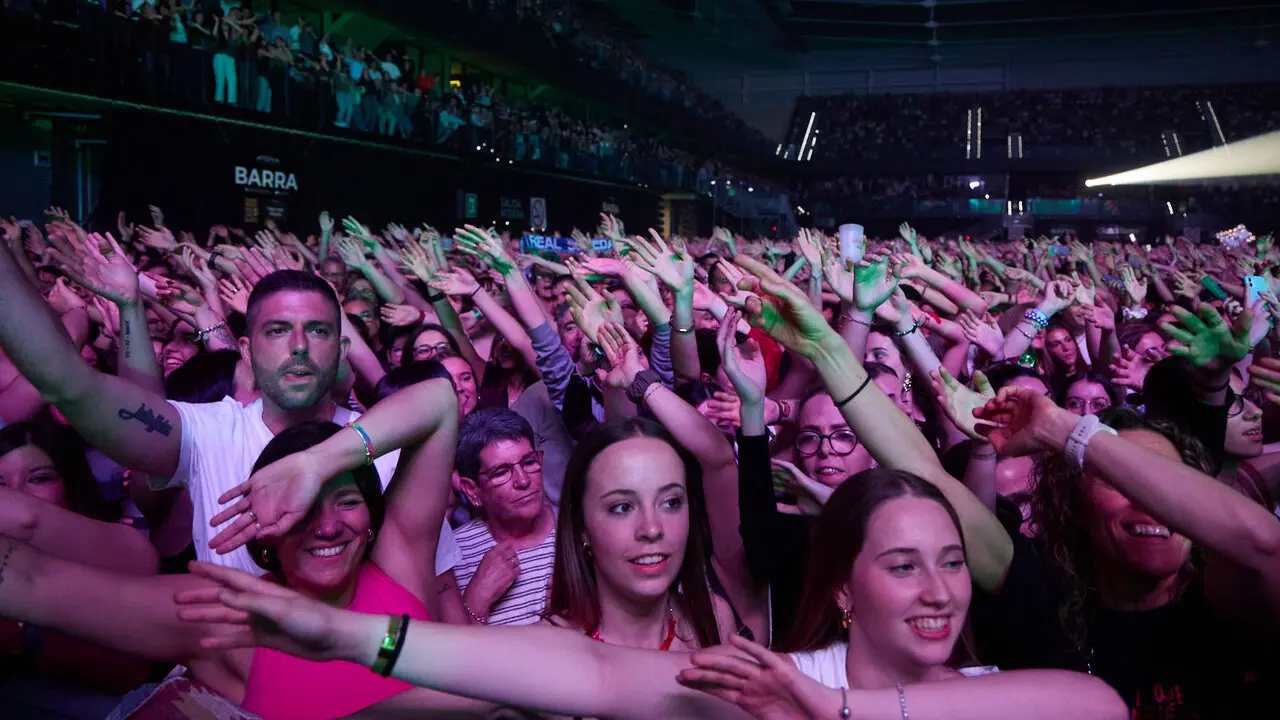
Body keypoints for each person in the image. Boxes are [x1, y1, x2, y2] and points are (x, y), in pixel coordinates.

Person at [0, 377, 469, 718]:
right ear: (264, 526)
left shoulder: (398, 563)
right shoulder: (228, 615)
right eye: (300, 508)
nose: (326, 526)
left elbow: (439, 400)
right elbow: (33, 581)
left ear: (370, 520)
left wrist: (316, 464)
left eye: (346, 502)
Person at [0, 248, 458, 578]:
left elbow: (436, 599)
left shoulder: (385, 447)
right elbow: (70, 385)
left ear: (340, 349)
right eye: (278, 331)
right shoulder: (207, 433)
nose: (298, 347)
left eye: (316, 331)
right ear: (246, 349)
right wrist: (128, 307)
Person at [972, 388, 1280, 717]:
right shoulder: (1041, 589)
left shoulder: (1229, 601)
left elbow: (1265, 544)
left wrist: (1069, 433)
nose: (1148, 502)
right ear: (1076, 503)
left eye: (1164, 488)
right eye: (1118, 482)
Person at [451, 408, 557, 626]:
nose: (523, 481)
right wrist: (476, 600)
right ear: (472, 490)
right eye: (501, 472)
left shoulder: (580, 532)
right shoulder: (453, 554)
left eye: (529, 462)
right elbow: (443, 655)